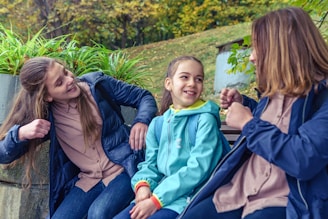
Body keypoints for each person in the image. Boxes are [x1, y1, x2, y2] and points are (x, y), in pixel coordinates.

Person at [179, 7, 328, 219]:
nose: (251, 58)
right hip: (235, 193)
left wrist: (248, 123)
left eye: (257, 48)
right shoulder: (274, 92)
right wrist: (244, 104)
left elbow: (303, 160)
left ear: (279, 50)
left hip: (284, 202)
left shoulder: (322, 98)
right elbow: (276, 122)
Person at [0, 57, 158, 219]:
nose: (70, 80)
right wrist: (20, 134)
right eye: (59, 83)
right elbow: (3, 155)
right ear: (48, 96)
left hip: (125, 167)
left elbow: (143, 97)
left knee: (98, 213)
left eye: (66, 72)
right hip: (89, 179)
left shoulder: (97, 85)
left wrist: (141, 121)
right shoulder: (47, 117)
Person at [113, 55, 230, 219]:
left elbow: (198, 169)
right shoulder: (158, 124)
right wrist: (143, 185)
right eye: (185, 77)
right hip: (156, 196)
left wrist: (156, 200)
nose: (192, 83)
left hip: (188, 200)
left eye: (198, 79)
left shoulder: (205, 120)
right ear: (169, 83)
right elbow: (150, 164)